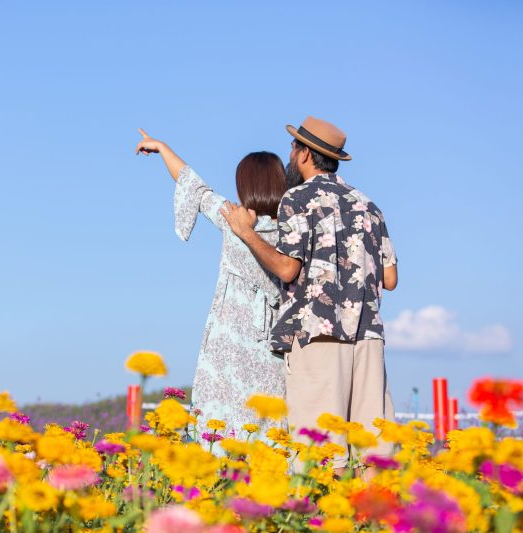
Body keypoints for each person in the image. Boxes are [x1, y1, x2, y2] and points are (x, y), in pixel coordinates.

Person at [219, 117, 398, 472]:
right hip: (368, 336)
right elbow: (390, 279)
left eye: (293, 146)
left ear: (304, 154)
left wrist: (247, 234)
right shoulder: (368, 205)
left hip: (319, 332)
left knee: (319, 452)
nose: (290, 153)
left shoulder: (296, 199)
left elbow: (288, 269)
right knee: (373, 451)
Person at [135, 128, 287, 444]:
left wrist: (163, 148)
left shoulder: (234, 220)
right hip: (274, 342)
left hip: (228, 341)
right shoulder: (292, 231)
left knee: (222, 423)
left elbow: (196, 188)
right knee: (269, 425)